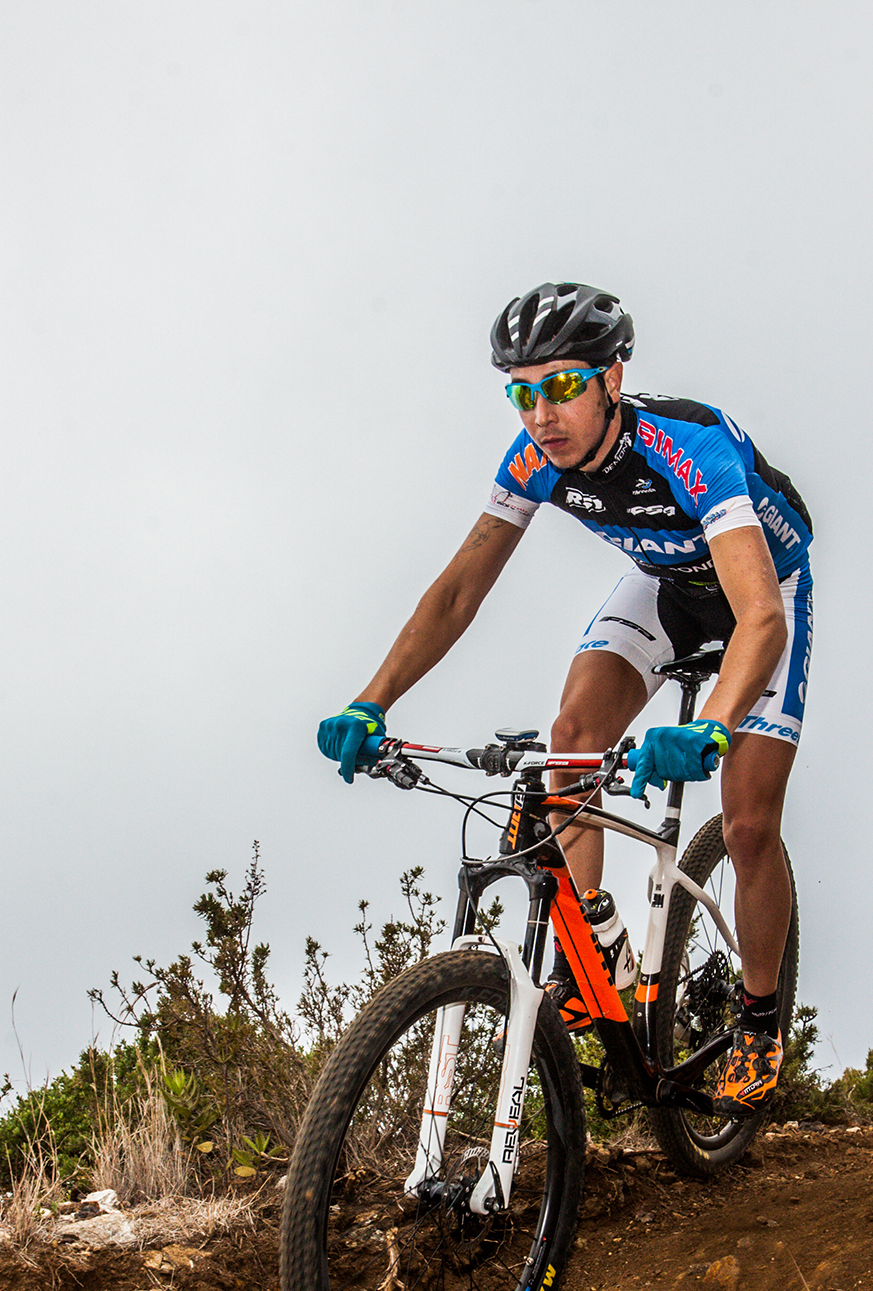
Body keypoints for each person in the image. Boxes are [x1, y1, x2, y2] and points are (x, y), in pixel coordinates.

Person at [316, 281, 814, 1109]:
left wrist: (714, 727)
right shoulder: (532, 461)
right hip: (666, 585)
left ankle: (759, 1019)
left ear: (612, 378)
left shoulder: (688, 444)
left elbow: (760, 617)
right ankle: (596, 954)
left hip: (761, 594)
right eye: (521, 393)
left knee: (748, 824)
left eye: (561, 386)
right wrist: (372, 702)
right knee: (571, 738)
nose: (540, 414)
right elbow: (458, 592)